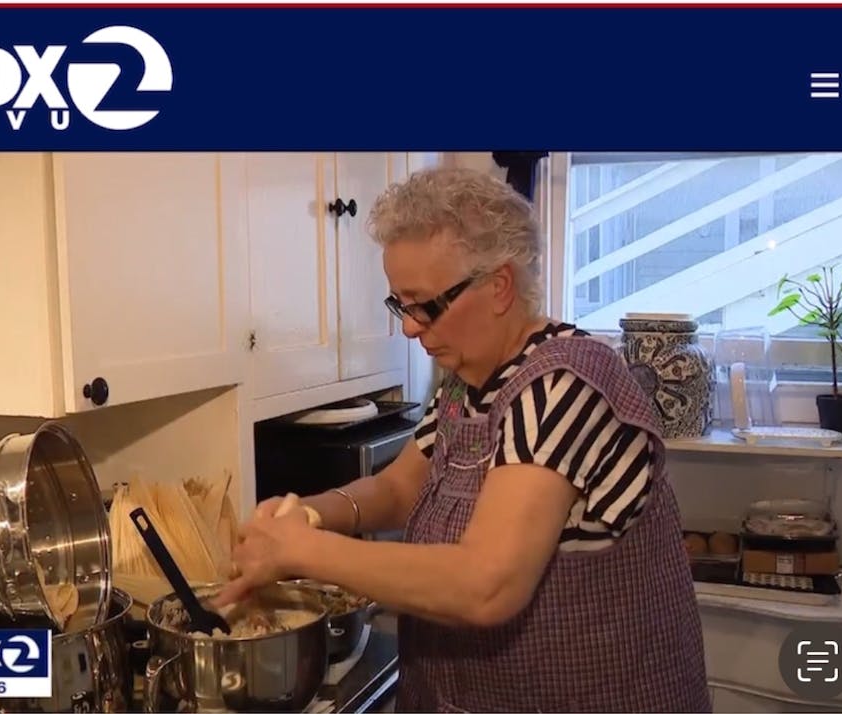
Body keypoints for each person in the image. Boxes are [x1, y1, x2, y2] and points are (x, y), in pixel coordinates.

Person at [214, 167, 711, 713]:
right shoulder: (466, 382)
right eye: (399, 303)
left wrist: (306, 551)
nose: (408, 326)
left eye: (425, 305)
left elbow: (486, 585)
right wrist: (307, 514)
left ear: (498, 286)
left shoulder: (561, 386)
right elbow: (400, 490)